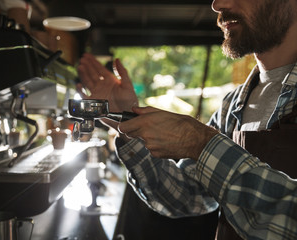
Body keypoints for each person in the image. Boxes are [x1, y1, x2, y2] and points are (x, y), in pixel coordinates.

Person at [76, 0, 297, 239]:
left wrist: (202, 143)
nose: (217, 5)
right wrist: (127, 121)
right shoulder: (233, 104)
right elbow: (187, 196)